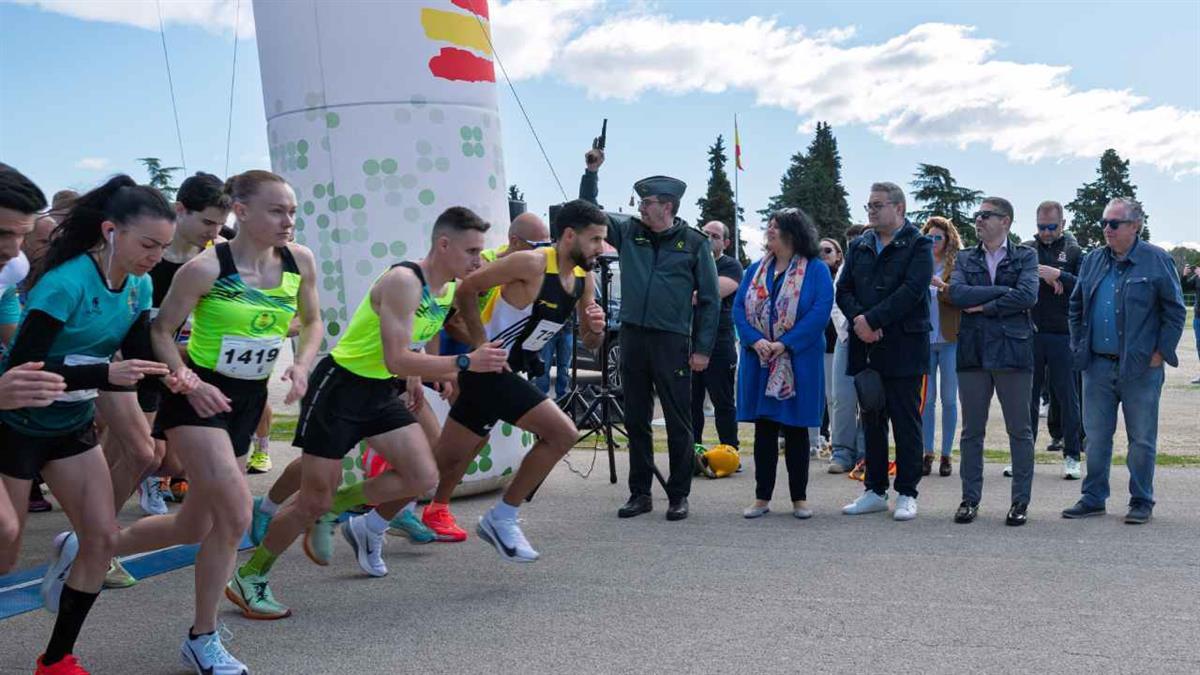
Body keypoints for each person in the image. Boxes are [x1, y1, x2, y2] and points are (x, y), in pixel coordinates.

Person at [61, 170, 323, 674]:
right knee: (234, 513)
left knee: (193, 524)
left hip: (245, 400)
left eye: (292, 210)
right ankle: (202, 638)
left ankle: (88, 544)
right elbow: (161, 331)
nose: (289, 220)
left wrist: (303, 362)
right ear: (241, 212)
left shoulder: (300, 260)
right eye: (277, 210)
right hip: (199, 397)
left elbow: (312, 322)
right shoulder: (206, 269)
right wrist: (185, 377)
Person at [227, 206, 507, 620]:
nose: (477, 261)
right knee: (311, 501)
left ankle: (340, 507)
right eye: (471, 251)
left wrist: (429, 375)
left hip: (379, 391)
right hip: (340, 388)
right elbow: (396, 357)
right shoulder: (403, 281)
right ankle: (249, 577)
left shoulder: (446, 288)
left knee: (422, 476)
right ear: (443, 244)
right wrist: (462, 364)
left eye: (480, 252)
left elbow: (412, 343)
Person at [1, 174, 178, 674]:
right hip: (15, 426)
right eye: (148, 244)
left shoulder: (140, 285)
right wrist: (104, 372)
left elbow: (141, 355)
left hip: (70, 425)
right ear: (110, 231)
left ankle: (55, 660)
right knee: (4, 554)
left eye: (163, 247)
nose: (155, 257)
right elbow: (27, 366)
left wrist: (181, 376)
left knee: (100, 540)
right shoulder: (65, 282)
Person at [417, 200, 608, 560]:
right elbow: (466, 290)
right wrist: (480, 345)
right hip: (489, 371)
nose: (601, 249)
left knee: (441, 464)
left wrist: (594, 328)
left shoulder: (585, 279)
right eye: (595, 240)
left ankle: (371, 522)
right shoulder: (532, 263)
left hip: (505, 372)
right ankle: (502, 517)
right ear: (569, 236)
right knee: (563, 432)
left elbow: (590, 340)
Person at [581, 149, 720, 522]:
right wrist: (591, 173)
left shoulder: (693, 242)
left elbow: (709, 300)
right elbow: (587, 211)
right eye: (641, 201)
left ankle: (678, 494)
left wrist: (703, 348)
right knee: (636, 417)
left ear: (668, 206)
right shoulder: (628, 232)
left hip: (672, 339)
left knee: (678, 419)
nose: (641, 207)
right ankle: (639, 493)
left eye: (648, 201)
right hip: (632, 336)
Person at [1062, 198, 1185, 525]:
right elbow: (1076, 307)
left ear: (1135, 226)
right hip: (1097, 366)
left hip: (1141, 368)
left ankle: (1141, 500)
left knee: (1141, 439)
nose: (1107, 228)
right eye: (1105, 222)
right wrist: (1078, 345)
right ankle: (1093, 498)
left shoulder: (1156, 260)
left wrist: (1160, 353)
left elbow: (1175, 311)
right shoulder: (1092, 261)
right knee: (1097, 437)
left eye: (1114, 223)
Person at [836, 182, 932, 521]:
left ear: (899, 208)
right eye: (869, 205)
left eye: (878, 205)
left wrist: (874, 319)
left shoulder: (920, 244)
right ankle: (874, 490)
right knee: (872, 420)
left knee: (906, 422)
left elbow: (913, 290)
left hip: (904, 346)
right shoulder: (859, 244)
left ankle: (907, 491)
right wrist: (860, 321)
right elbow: (843, 288)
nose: (871, 211)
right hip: (866, 349)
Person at [734, 209, 833, 520]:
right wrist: (755, 340)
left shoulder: (815, 270)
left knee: (795, 430)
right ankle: (761, 498)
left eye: (778, 227)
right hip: (760, 361)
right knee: (764, 430)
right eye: (770, 226)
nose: (771, 231)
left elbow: (819, 312)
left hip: (798, 361)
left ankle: (799, 499)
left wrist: (784, 343)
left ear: (794, 233)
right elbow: (739, 309)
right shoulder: (754, 270)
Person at [948, 198, 1039, 526]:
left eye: (986, 215)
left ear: (1007, 221)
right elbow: (956, 294)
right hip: (973, 351)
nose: (979, 220)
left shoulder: (1026, 255)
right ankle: (969, 500)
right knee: (972, 431)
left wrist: (984, 305)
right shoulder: (964, 256)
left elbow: (1028, 295)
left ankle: (1020, 502)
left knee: (1020, 430)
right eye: (977, 215)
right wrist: (1002, 292)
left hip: (1013, 351)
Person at [1024, 201, 1084, 479]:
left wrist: (1060, 275)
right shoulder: (1026, 249)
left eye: (1051, 227)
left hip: (1063, 335)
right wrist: (1041, 274)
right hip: (1031, 334)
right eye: (1041, 227)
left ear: (1063, 224)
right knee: (1028, 400)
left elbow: (1085, 285)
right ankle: (1023, 458)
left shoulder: (1073, 250)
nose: (1046, 232)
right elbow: (1013, 279)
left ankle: (1072, 455)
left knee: (1067, 398)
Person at [692, 220, 743, 450]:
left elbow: (712, 293)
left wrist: (692, 293)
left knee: (722, 400)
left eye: (715, 235)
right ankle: (692, 450)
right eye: (705, 234)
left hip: (719, 341)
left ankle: (730, 449)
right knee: (690, 402)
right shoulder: (690, 263)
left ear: (726, 242)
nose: (709, 238)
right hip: (689, 338)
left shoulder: (731, 266)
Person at [921, 217, 962, 477]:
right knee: (926, 401)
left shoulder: (956, 265)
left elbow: (961, 295)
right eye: (930, 238)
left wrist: (943, 287)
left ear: (947, 240)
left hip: (949, 340)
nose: (934, 242)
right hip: (924, 339)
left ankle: (946, 454)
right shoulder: (920, 264)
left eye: (938, 238)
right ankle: (927, 453)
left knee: (949, 399)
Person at [828, 225, 868, 474]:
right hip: (846, 336)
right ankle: (842, 452)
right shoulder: (845, 267)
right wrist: (848, 327)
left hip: (872, 336)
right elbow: (836, 301)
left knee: (869, 400)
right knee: (842, 398)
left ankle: (865, 453)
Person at [810, 238, 841, 457]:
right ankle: (812, 442)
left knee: (833, 396)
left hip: (835, 343)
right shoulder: (809, 277)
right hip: (812, 344)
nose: (823, 254)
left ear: (838, 255)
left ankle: (836, 444)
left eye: (828, 250)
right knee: (813, 394)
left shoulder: (842, 277)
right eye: (819, 250)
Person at [1181, 261, 1199, 384]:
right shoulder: (1197, 278)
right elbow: (1184, 288)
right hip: (1198, 316)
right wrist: (1184, 275)